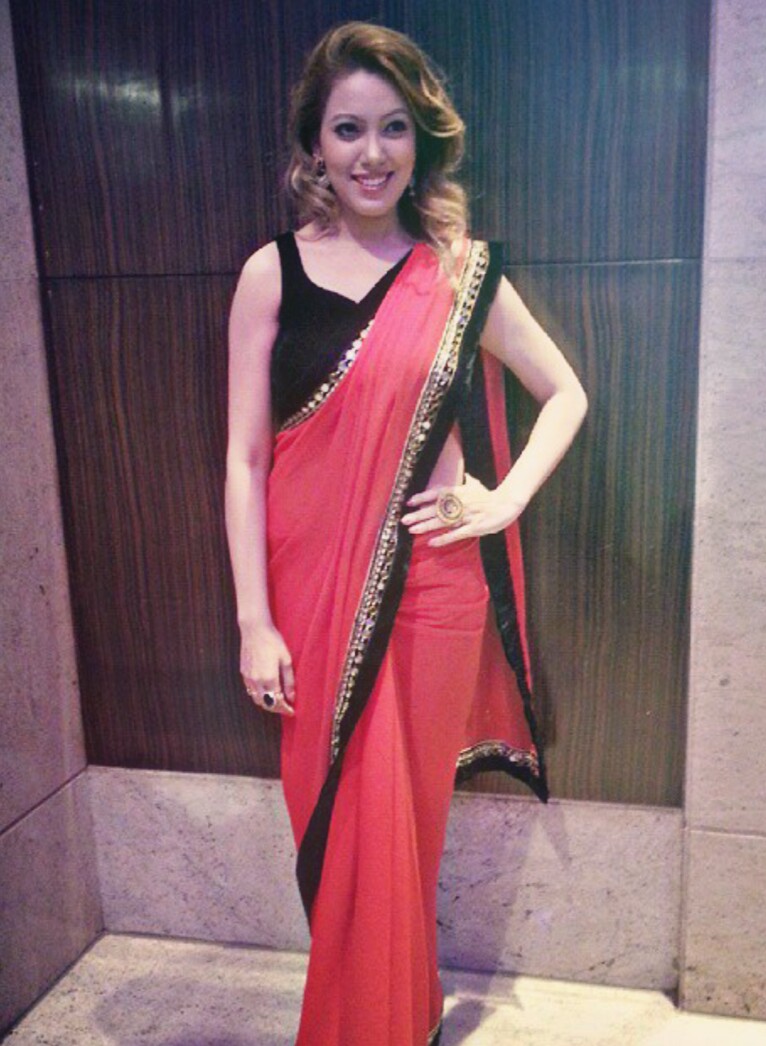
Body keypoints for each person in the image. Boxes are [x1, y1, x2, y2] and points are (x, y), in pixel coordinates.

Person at [225, 21, 587, 1046]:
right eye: (348, 129)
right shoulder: (270, 275)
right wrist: (254, 620)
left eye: (393, 127)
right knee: (342, 824)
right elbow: (245, 460)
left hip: (435, 589)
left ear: (421, 140)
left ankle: (394, 1022)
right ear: (315, 143)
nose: (371, 153)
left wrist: (503, 499)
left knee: (408, 830)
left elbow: (564, 392)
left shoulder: (460, 274)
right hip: (309, 598)